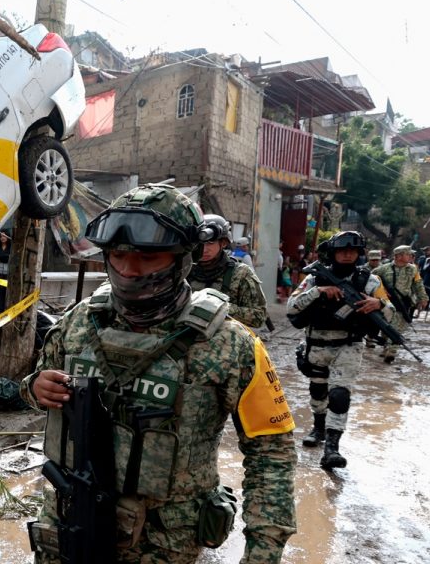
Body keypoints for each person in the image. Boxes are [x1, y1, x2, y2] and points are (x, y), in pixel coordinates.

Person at [23, 184, 296, 564]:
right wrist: (36, 388)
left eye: (148, 258)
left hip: (164, 544)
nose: (129, 270)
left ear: (185, 257)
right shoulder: (79, 322)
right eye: (118, 255)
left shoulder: (231, 344)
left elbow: (272, 455)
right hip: (71, 520)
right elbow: (34, 386)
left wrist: (262, 554)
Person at [287, 231, 393, 470]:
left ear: (359, 254)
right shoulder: (315, 279)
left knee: (339, 395)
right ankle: (318, 427)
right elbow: (291, 308)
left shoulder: (370, 281)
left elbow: (390, 312)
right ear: (333, 252)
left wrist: (379, 304)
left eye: (353, 251)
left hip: (349, 345)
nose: (347, 254)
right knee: (318, 389)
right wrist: (319, 292)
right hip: (317, 344)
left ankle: (332, 448)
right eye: (342, 250)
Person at [187, 213, 268, 327]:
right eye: (200, 244)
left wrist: (218, 307)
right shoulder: (184, 269)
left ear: (223, 243)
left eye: (210, 243)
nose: (204, 249)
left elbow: (258, 317)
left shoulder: (241, 274)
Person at [372, 246, 428, 363]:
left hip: (404, 303)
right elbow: (370, 278)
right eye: (408, 254)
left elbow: (418, 284)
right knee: (386, 326)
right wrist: (380, 290)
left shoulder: (413, 269)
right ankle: (386, 346)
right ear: (398, 256)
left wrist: (423, 298)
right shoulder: (383, 269)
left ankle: (391, 352)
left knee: (398, 327)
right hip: (386, 303)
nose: (411, 256)